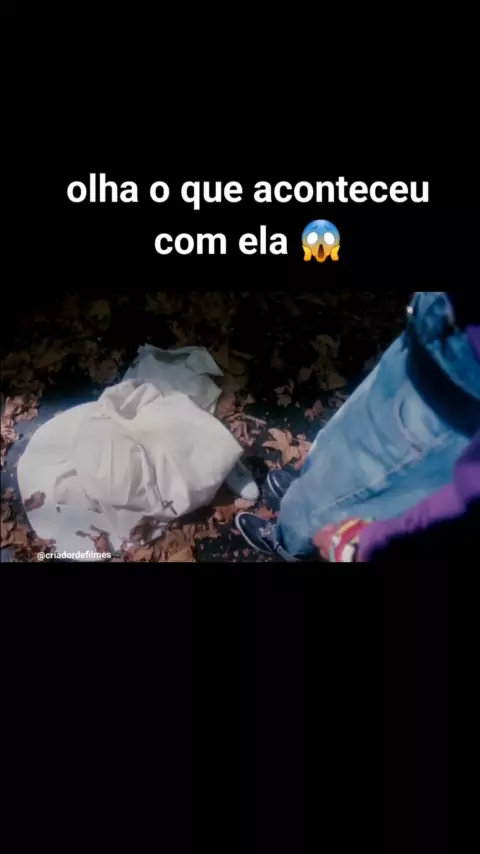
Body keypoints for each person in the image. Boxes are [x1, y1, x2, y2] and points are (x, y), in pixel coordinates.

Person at [235, 292, 480, 562]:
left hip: (457, 392)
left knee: (355, 477)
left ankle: (289, 538)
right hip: (439, 331)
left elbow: (470, 489)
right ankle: (306, 496)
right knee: (342, 443)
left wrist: (368, 544)